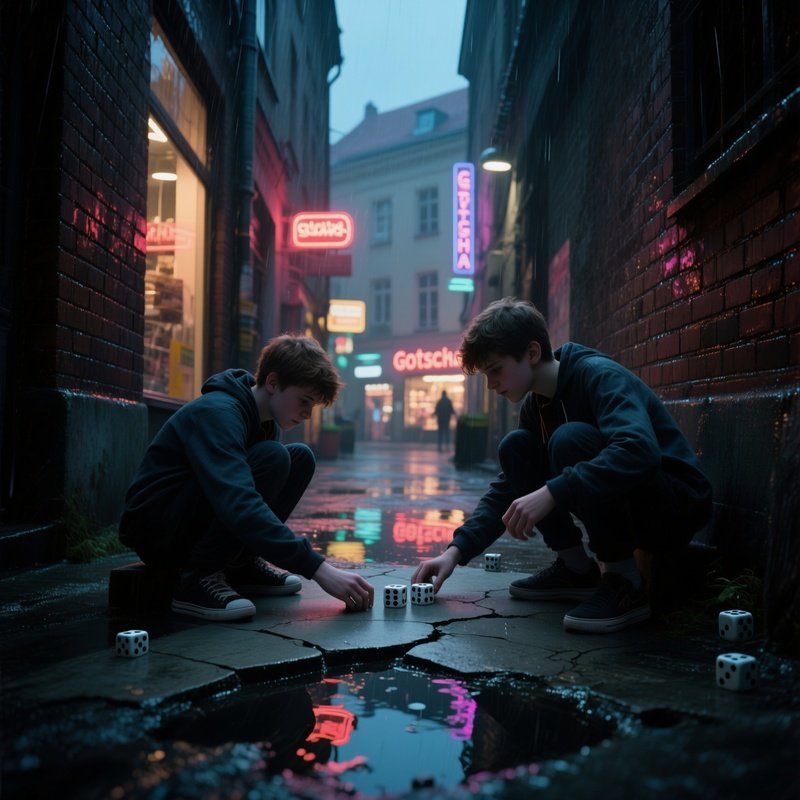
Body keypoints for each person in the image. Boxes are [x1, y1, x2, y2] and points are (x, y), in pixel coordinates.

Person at [412, 298, 712, 633]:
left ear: (533, 353)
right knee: (515, 448)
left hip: (674, 507)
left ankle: (625, 582)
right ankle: (577, 571)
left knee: (570, 439)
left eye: (495, 370)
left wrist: (554, 490)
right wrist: (455, 552)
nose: (490, 384)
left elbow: (638, 450)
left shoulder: (598, 375)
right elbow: (507, 488)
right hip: (634, 503)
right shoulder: (537, 405)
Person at [119, 333, 375, 621]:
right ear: (273, 382)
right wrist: (318, 569)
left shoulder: (265, 422)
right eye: (304, 401)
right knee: (276, 457)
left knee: (299, 458)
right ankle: (195, 580)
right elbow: (238, 501)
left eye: (312, 406)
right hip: (157, 530)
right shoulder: (218, 413)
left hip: (188, 517)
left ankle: (239, 565)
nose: (307, 414)